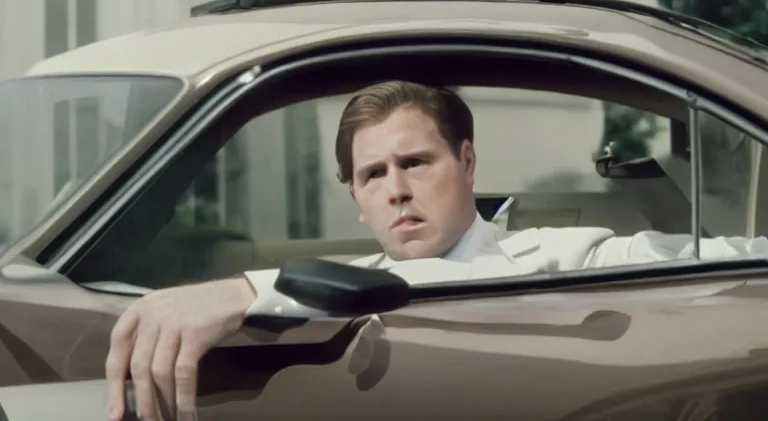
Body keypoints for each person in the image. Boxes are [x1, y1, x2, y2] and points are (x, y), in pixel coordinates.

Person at [105, 80, 768, 421]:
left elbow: (737, 253)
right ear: (356, 200)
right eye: (372, 175)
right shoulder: (339, 287)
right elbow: (354, 281)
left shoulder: (566, 258)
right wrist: (241, 291)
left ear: (468, 162)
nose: (396, 191)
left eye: (416, 162)